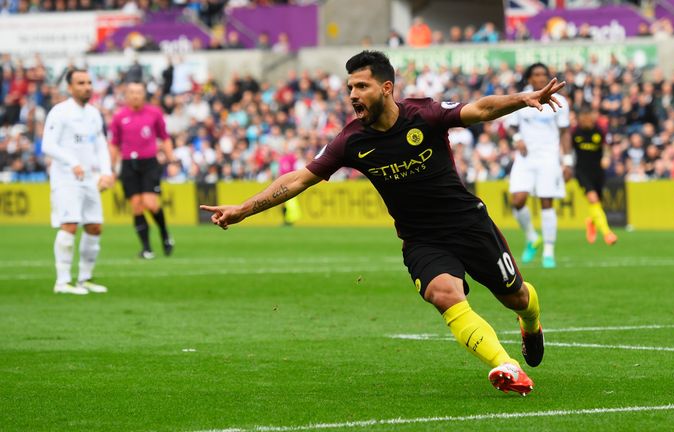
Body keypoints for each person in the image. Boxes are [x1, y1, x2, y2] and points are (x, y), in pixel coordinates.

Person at [201, 51, 566, 395]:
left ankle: (530, 322)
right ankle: (506, 367)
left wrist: (523, 98)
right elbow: (299, 179)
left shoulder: (424, 114)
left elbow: (481, 108)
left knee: (516, 297)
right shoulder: (351, 140)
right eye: (349, 88)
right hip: (422, 239)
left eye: (361, 86)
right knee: (443, 294)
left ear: (386, 88)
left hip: (469, 224)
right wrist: (245, 209)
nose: (353, 95)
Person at [42, 69, 113, 295]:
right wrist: (72, 162)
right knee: (70, 224)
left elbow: (100, 144)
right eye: (81, 83)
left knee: (94, 226)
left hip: (89, 178)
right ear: (70, 88)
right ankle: (62, 282)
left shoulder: (93, 113)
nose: (87, 87)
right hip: (65, 178)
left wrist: (107, 171)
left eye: (89, 82)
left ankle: (85, 278)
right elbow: (48, 145)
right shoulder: (59, 112)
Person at [505, 62, 570, 269]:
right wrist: (517, 139)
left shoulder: (561, 101)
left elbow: (565, 131)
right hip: (525, 158)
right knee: (517, 200)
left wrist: (567, 161)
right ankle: (532, 237)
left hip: (548, 158)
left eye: (544, 74)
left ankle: (549, 251)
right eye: (536, 75)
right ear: (529, 78)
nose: (541, 78)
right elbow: (511, 126)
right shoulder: (522, 98)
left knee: (546, 202)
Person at [110, 81, 175, 259]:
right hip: (128, 164)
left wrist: (172, 160)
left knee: (151, 203)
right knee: (137, 206)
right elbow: (114, 144)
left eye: (139, 92)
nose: (136, 95)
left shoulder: (154, 113)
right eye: (132, 92)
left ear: (144, 94)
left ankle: (165, 234)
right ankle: (147, 249)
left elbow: (165, 137)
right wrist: (111, 168)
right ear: (127, 95)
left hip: (149, 163)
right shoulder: (119, 116)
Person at [572, 107, 618, 245]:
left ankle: (591, 222)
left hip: (597, 171)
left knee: (598, 203)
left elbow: (607, 147)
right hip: (581, 171)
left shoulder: (599, 131)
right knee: (593, 199)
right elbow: (567, 148)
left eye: (588, 116)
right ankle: (607, 233)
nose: (586, 120)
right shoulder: (575, 132)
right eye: (583, 117)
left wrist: (607, 157)